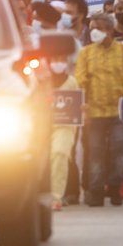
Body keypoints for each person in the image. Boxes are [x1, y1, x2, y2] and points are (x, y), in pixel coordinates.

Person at [73, 13, 123, 206]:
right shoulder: (86, 53)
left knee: (119, 150)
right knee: (95, 153)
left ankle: (115, 187)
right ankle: (96, 191)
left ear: (109, 30)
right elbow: (80, 80)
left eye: (98, 28)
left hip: (120, 112)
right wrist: (83, 105)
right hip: (94, 113)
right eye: (92, 27)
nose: (94, 31)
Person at [47, 55, 81, 212]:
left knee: (60, 153)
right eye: (54, 60)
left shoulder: (72, 82)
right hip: (42, 127)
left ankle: (56, 197)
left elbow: (77, 105)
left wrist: (83, 109)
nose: (57, 63)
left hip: (65, 126)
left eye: (61, 60)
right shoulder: (40, 81)